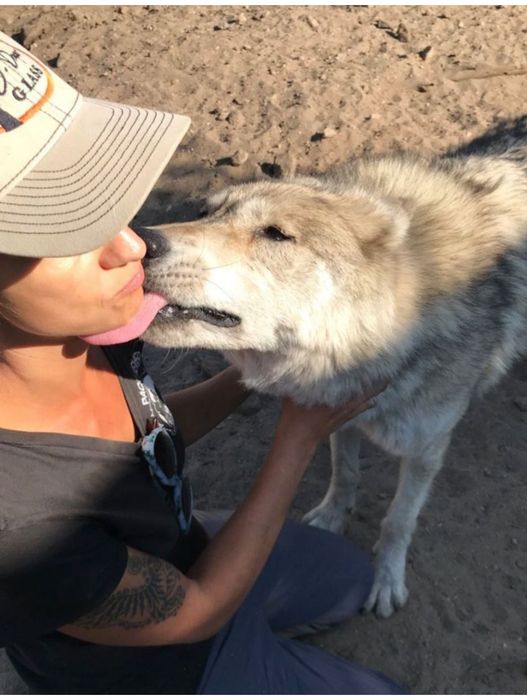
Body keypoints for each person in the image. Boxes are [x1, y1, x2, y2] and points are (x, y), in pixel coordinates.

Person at [0, 32, 402, 693]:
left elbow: (146, 430)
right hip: (161, 663)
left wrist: (250, 374)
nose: (131, 245)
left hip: (178, 551)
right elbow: (194, 613)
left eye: (100, 204)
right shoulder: (18, 531)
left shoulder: (86, 329)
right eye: (60, 231)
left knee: (350, 582)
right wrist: (297, 439)